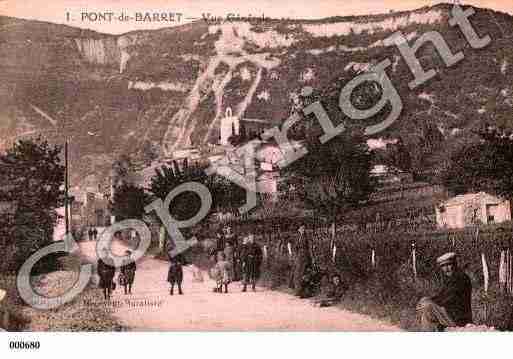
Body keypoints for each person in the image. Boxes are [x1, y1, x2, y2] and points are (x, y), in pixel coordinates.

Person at [416, 252, 473, 331]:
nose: (446, 269)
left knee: (427, 306)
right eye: (443, 266)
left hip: (459, 319)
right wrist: (427, 299)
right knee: (425, 304)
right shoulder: (451, 278)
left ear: (454, 264)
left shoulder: (461, 278)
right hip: (451, 315)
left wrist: (429, 301)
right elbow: (441, 295)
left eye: (448, 264)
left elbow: (449, 298)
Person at [292, 225, 313, 297]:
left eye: (304, 228)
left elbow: (310, 247)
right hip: (299, 257)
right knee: (297, 274)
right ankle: (297, 290)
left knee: (303, 274)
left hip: (305, 256)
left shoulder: (306, 237)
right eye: (301, 228)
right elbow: (295, 247)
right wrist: (295, 256)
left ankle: (303, 291)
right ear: (298, 229)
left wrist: (311, 257)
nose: (303, 230)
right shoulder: (297, 237)